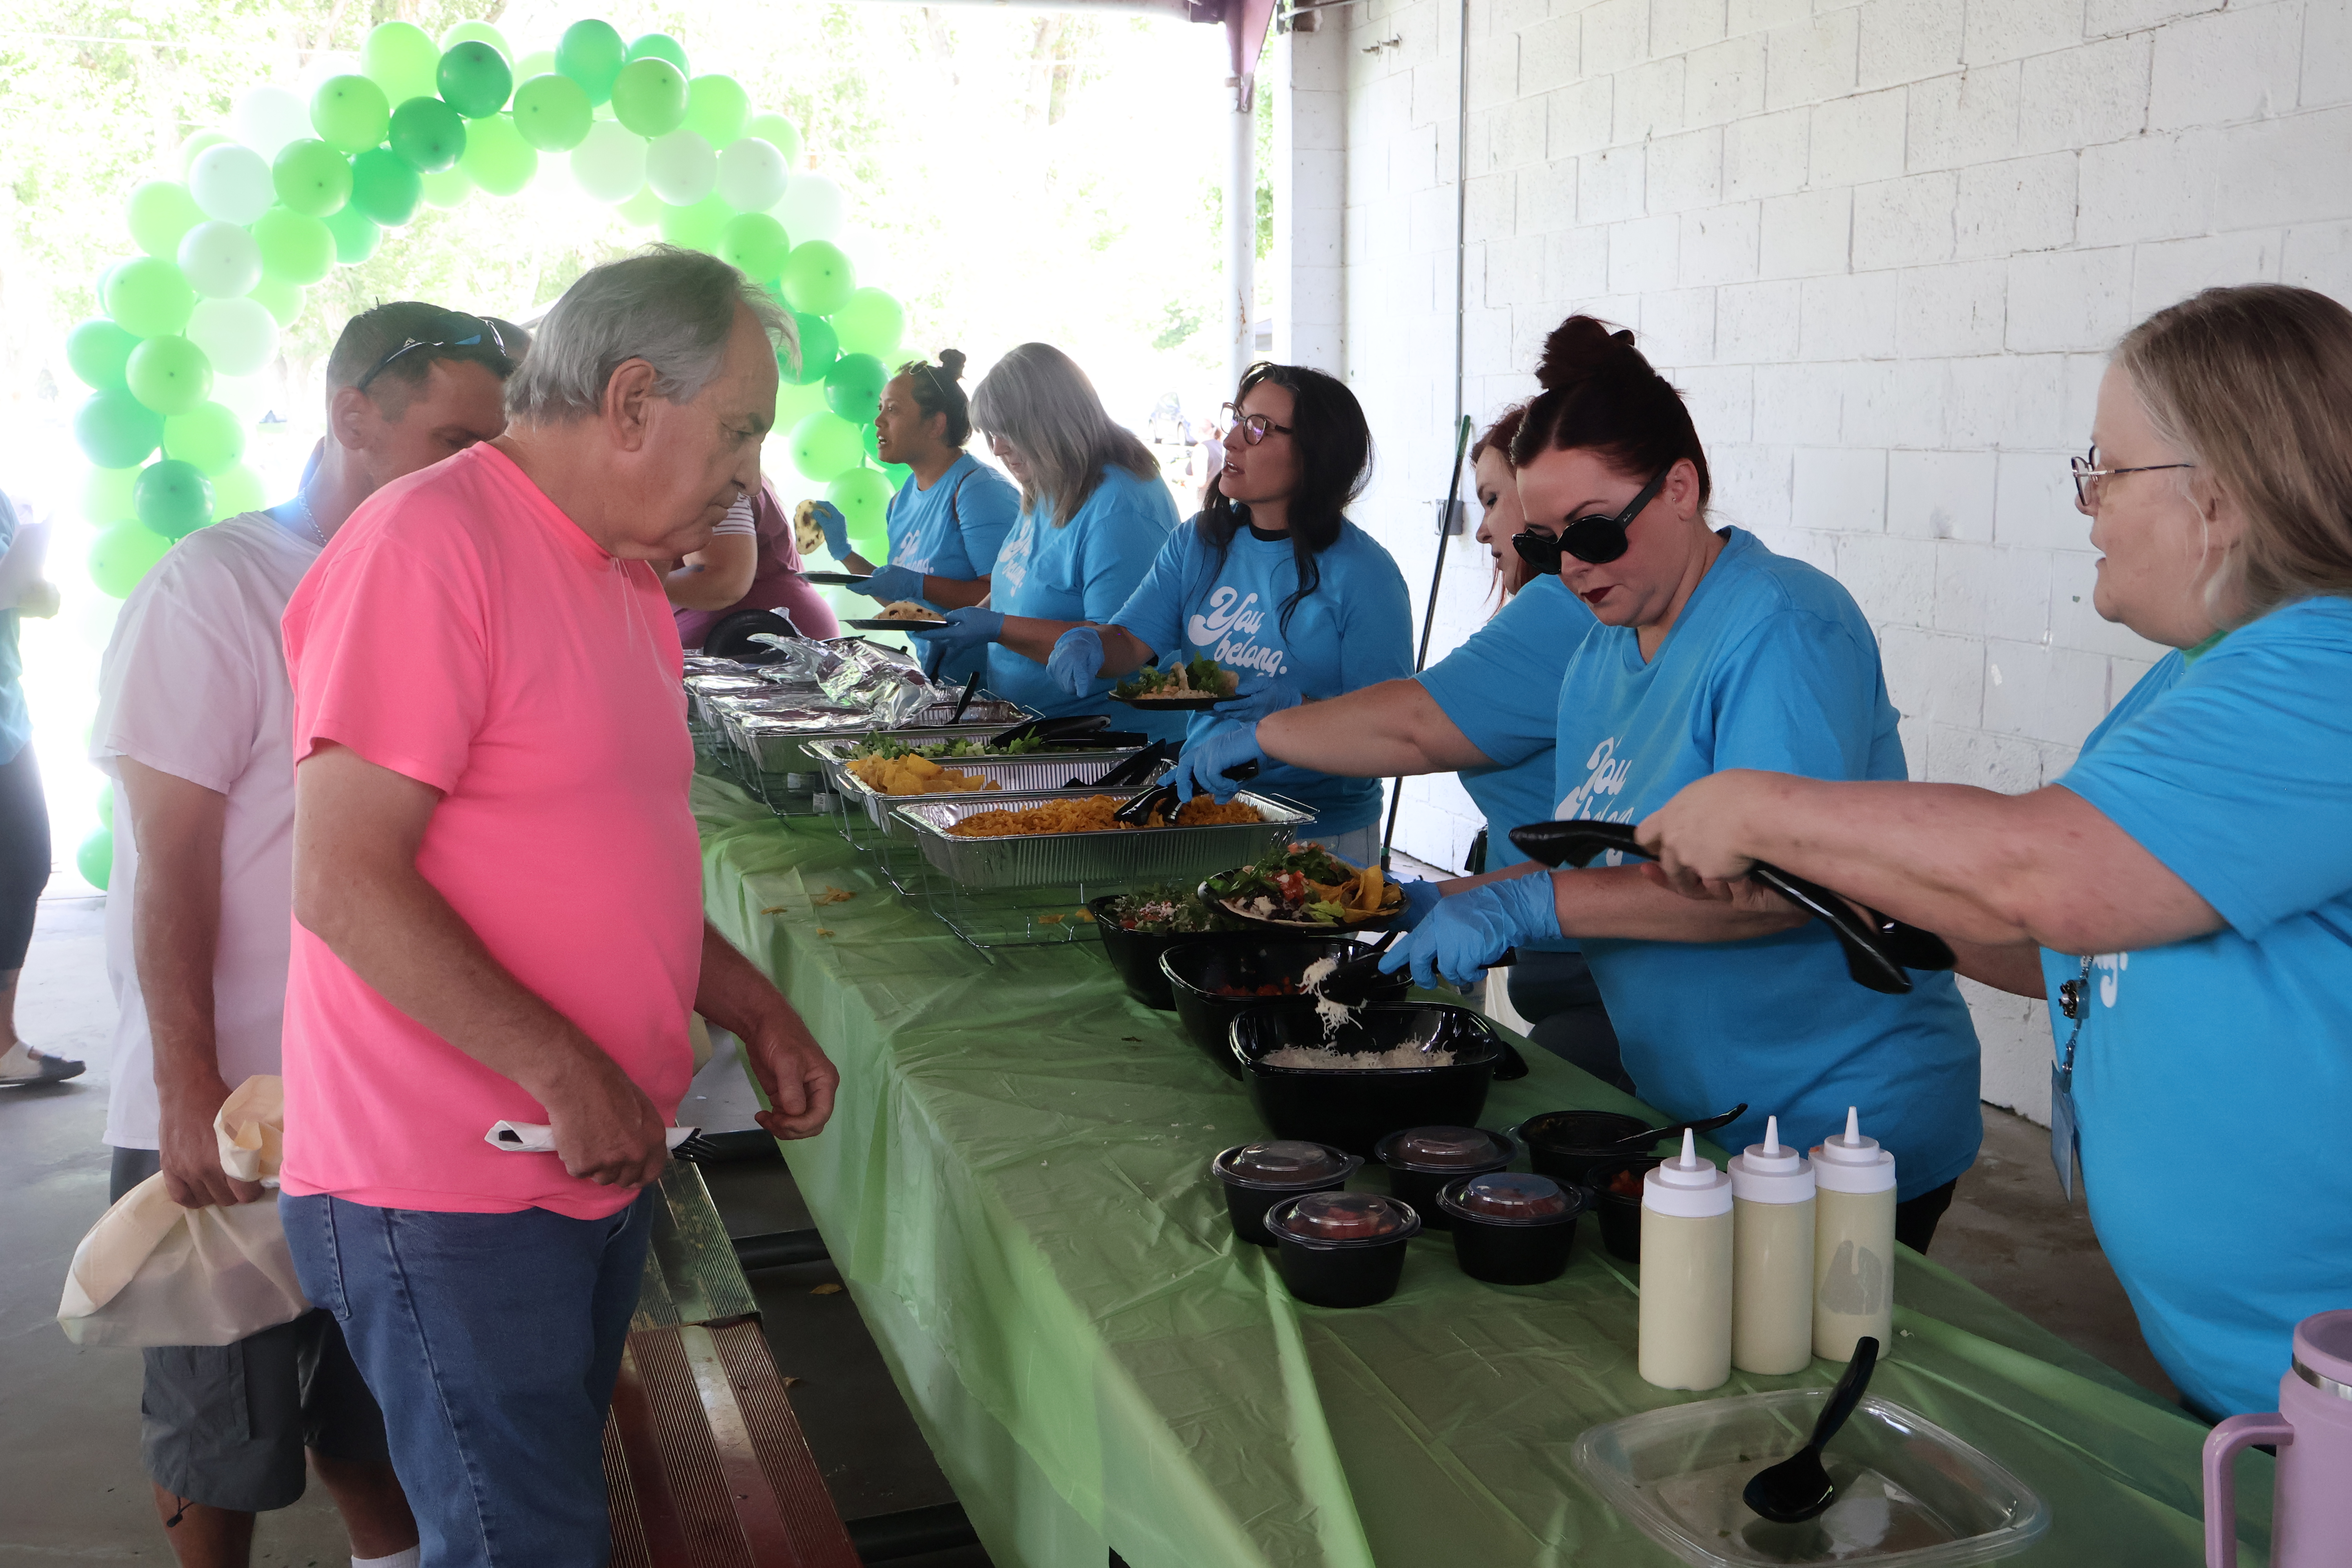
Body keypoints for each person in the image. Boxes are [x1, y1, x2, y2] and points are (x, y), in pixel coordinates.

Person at [1634, 284, 2352, 1418]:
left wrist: (1762, 809)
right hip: (2259, 1392)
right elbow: (2055, 943)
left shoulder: (2331, 668)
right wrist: (1858, 886)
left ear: (2220, 495)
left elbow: (2056, 876)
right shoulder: (2199, 677)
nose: (2090, 506)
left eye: (2107, 469)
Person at [275, 247, 840, 1565]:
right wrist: (558, 1063)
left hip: (583, 1161)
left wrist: (753, 1011)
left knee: (542, 1524)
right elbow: (342, 878)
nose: (751, 471)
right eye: (741, 429)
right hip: (451, 1185)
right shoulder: (431, 548)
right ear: (635, 400)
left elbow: (609, 862)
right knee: (519, 1543)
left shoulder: (621, 575)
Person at [1350, 318, 1982, 1250]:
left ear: (1680, 488)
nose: (1570, 567)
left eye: (1596, 531)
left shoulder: (1783, 627)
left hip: (1838, 1128)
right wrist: (1453, 899)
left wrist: (1525, 907)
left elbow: (1771, 893)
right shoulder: (1599, 657)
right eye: (1545, 539)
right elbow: (1617, 863)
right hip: (1698, 1116)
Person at [90, 301, 515, 1568]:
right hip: (232, 1099)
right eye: (451, 438)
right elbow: (169, 869)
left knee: (376, 1414)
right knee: (218, 1430)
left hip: (385, 1099)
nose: (476, 473)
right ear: (349, 418)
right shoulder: (217, 588)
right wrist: (183, 1088)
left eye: (493, 446)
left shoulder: (450, 586)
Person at [1225, 406, 1624, 1080]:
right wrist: (1459, 896)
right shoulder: (1562, 607)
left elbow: (1415, 723)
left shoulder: (1563, 606)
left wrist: (1261, 737)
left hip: (1603, 976)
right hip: (1563, 962)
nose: (1487, 530)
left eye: (1496, 501)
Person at [1036, 363, 1414, 863]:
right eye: (1238, 418)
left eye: (1258, 428)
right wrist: (1089, 642)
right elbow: (1130, 642)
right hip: (1208, 810)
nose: (1232, 440)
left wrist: (1297, 709)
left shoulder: (1365, 575)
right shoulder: (1199, 543)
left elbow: (1388, 730)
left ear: (1314, 455)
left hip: (1320, 833)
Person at [906, 343, 1178, 728]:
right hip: (1032, 724)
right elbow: (1021, 584)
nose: (997, 448)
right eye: (990, 435)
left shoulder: (1121, 506)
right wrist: (974, 620)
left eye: (1007, 433)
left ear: (1051, 424)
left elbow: (1119, 645)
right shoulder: (1048, 481)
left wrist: (997, 628)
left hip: (1104, 738)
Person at [815, 350, 1019, 677]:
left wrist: (918, 583)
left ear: (936, 424)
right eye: (880, 408)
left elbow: (1008, 596)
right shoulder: (899, 503)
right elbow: (906, 605)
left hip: (995, 689)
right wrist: (845, 554)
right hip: (942, 684)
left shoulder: (978, 491)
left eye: (893, 410)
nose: (878, 421)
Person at [0, 492, 65, 1085]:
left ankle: (2, 1041)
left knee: (24, 869)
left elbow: (25, 594)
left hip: (6, 720)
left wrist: (36, 595)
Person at [663, 475, 840, 649]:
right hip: (756, 640)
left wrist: (638, 581)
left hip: (763, 642)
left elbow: (722, 579)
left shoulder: (717, 479)